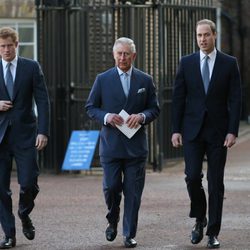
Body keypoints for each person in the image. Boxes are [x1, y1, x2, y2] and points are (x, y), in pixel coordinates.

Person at [171, 19, 242, 249]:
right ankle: (200, 218)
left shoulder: (229, 63)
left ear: (214, 35)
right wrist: (175, 129)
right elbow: (178, 98)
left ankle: (212, 232)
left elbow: (235, 99)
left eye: (206, 35)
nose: (202, 39)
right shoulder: (187, 62)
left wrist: (232, 130)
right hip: (192, 131)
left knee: (215, 182)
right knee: (192, 177)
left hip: (218, 133)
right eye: (199, 35)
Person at [85, 37, 160, 248]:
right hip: (111, 146)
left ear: (133, 56)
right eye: (119, 53)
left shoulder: (145, 80)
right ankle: (113, 218)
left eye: (126, 53)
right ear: (114, 55)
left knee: (133, 194)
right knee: (110, 188)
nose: (122, 57)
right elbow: (90, 107)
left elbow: (155, 108)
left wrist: (143, 116)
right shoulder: (103, 79)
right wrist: (107, 116)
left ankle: (129, 234)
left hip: (136, 149)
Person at [0, 27, 50, 248]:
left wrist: (43, 131)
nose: (6, 50)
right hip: (0, 138)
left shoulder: (31, 67)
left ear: (16, 44)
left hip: (26, 136)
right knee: (0, 188)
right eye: (2, 46)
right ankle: (9, 235)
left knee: (29, 182)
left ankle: (24, 213)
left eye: (9, 45)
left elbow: (43, 101)